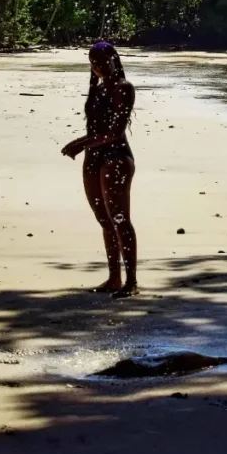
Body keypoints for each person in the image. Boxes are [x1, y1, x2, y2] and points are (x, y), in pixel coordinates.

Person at [61, 41, 138, 298]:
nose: (99, 67)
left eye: (103, 61)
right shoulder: (97, 88)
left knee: (119, 218)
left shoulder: (123, 88)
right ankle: (114, 278)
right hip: (94, 156)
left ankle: (131, 282)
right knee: (104, 219)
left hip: (116, 156)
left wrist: (81, 143)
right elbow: (95, 128)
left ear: (115, 60)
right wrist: (85, 145)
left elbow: (115, 132)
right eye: (94, 63)